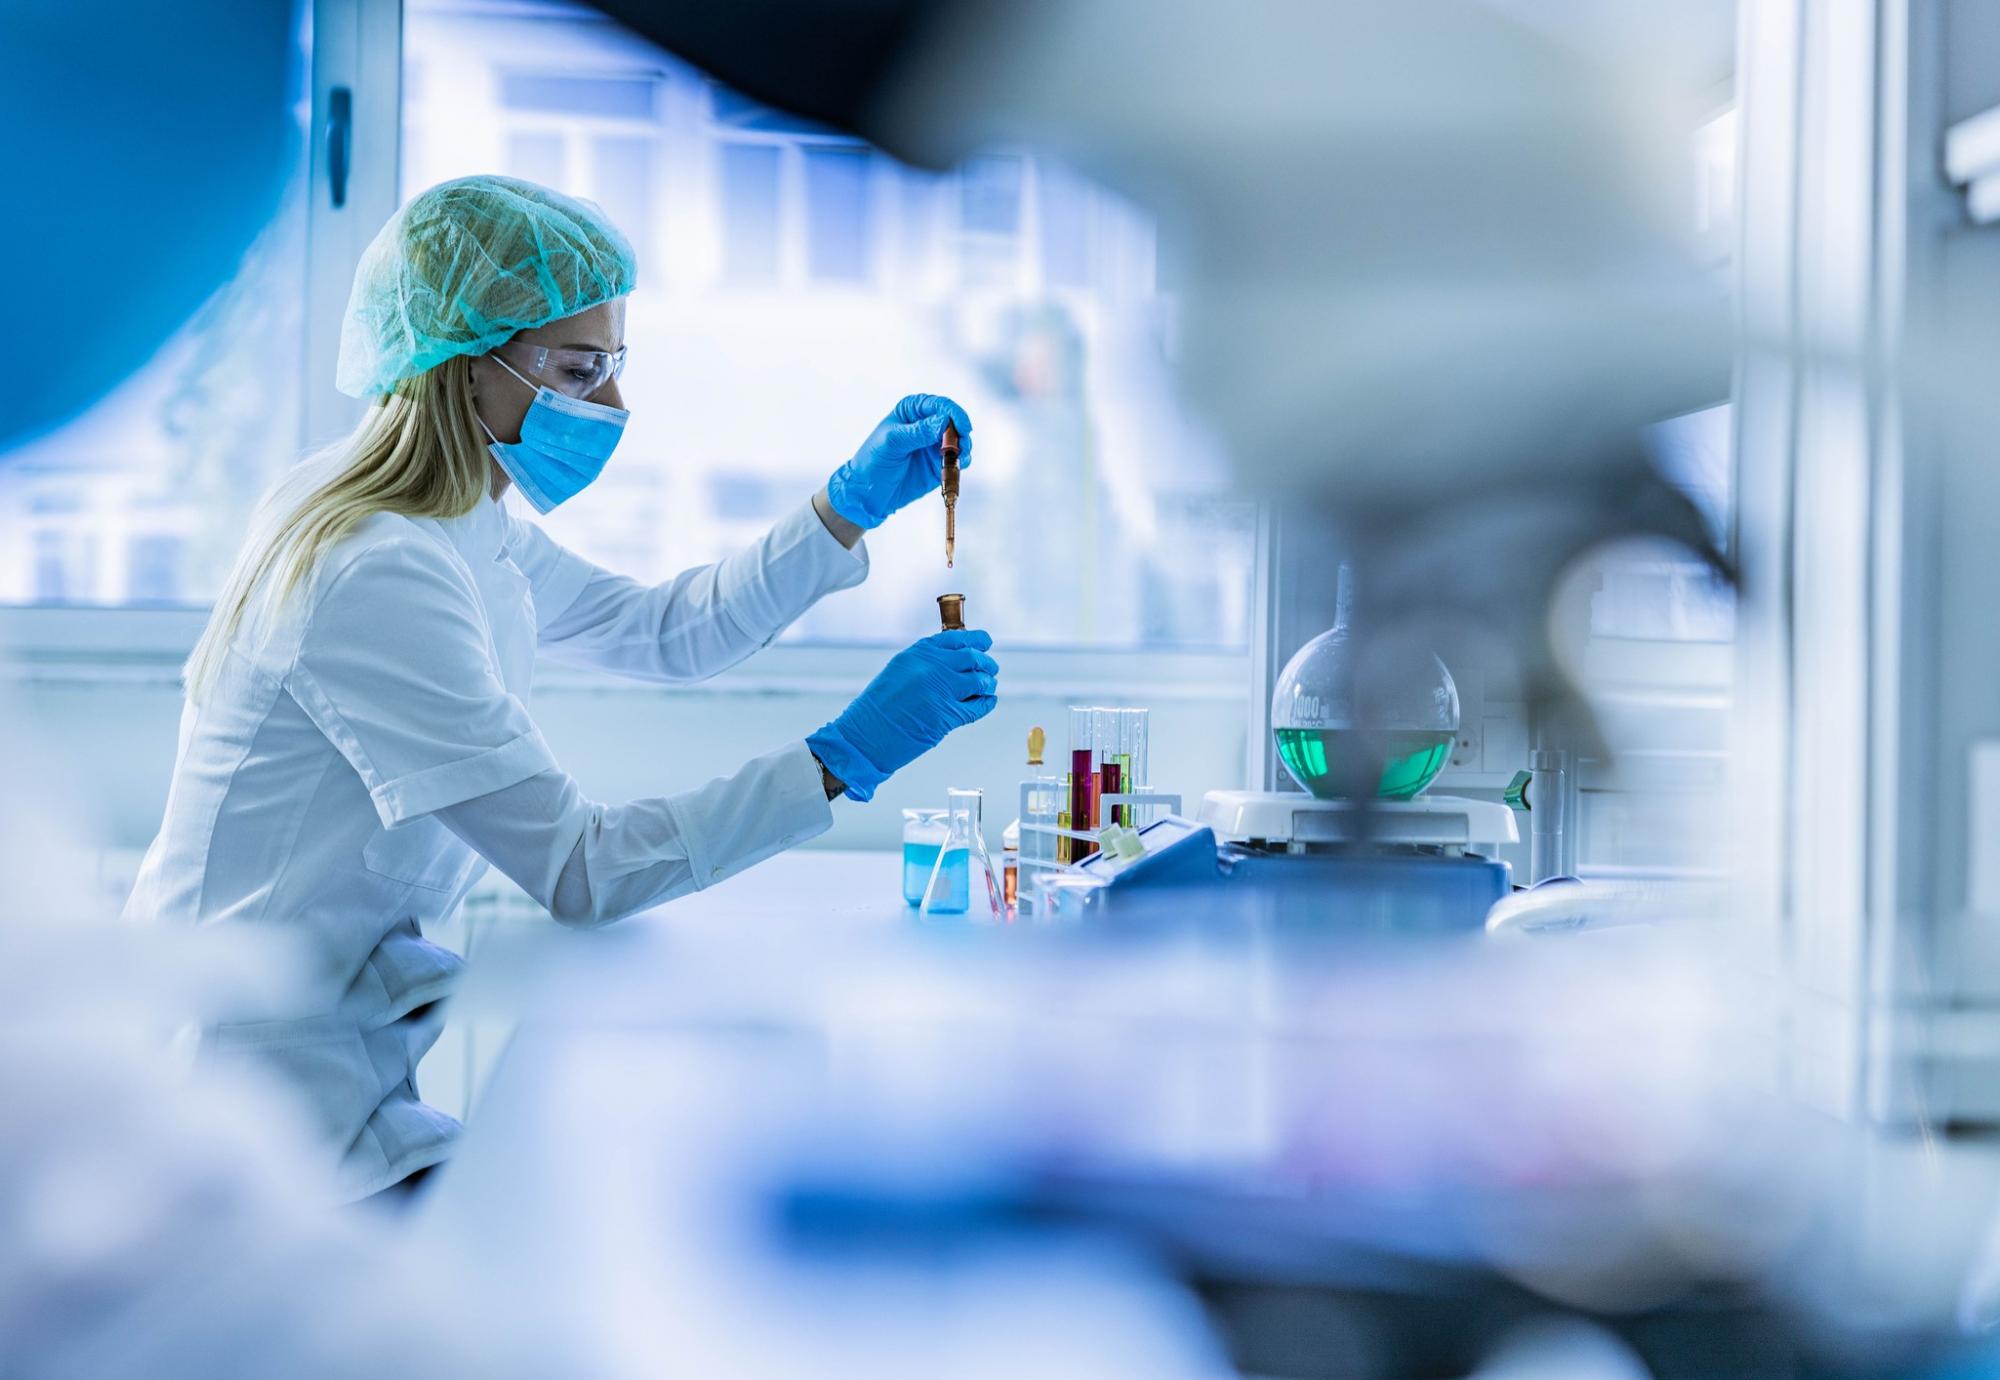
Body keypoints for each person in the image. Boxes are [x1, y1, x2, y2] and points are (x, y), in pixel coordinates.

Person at [120, 174, 999, 1202]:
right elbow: (584, 873)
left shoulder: (452, 524)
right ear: (462, 365)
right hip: (249, 1119)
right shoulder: (375, 564)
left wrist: (843, 507)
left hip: (329, 1085)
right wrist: (842, 758)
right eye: (581, 372)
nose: (615, 407)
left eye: (613, 368)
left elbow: (668, 631)